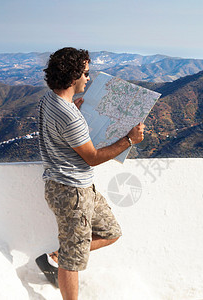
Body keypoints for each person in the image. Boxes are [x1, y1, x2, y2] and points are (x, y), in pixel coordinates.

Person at [36, 47, 145, 300]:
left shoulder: (50, 100)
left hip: (74, 187)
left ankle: (54, 258)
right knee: (72, 259)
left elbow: (62, 127)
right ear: (73, 77)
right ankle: (62, 267)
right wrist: (129, 139)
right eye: (85, 73)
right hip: (72, 192)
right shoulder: (69, 118)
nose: (88, 78)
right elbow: (92, 157)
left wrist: (74, 107)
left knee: (111, 232)